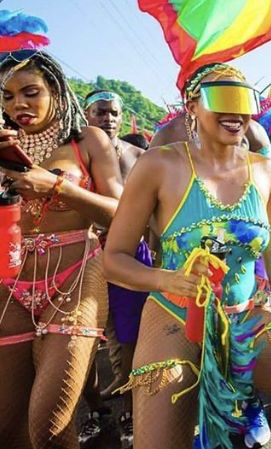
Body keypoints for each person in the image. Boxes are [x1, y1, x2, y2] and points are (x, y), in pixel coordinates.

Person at [103, 63, 271, 449]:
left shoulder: (264, 172)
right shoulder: (158, 165)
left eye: (245, 100)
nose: (236, 112)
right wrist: (167, 279)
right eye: (222, 98)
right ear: (192, 105)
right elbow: (116, 259)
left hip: (247, 317)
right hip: (175, 317)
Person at [0, 48, 122, 448]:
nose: (18, 103)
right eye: (7, 96)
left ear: (55, 89)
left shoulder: (88, 141)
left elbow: (120, 213)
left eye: (30, 92)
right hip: (8, 286)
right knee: (8, 428)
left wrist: (57, 186)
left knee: (48, 422)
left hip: (75, 280)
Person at [81, 89, 152, 448]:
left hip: (131, 257)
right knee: (81, 339)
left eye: (114, 112)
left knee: (130, 338)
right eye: (100, 112)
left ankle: (129, 410)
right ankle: (95, 410)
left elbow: (157, 211)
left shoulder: (140, 156)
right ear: (85, 114)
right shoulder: (74, 154)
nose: (108, 118)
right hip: (82, 258)